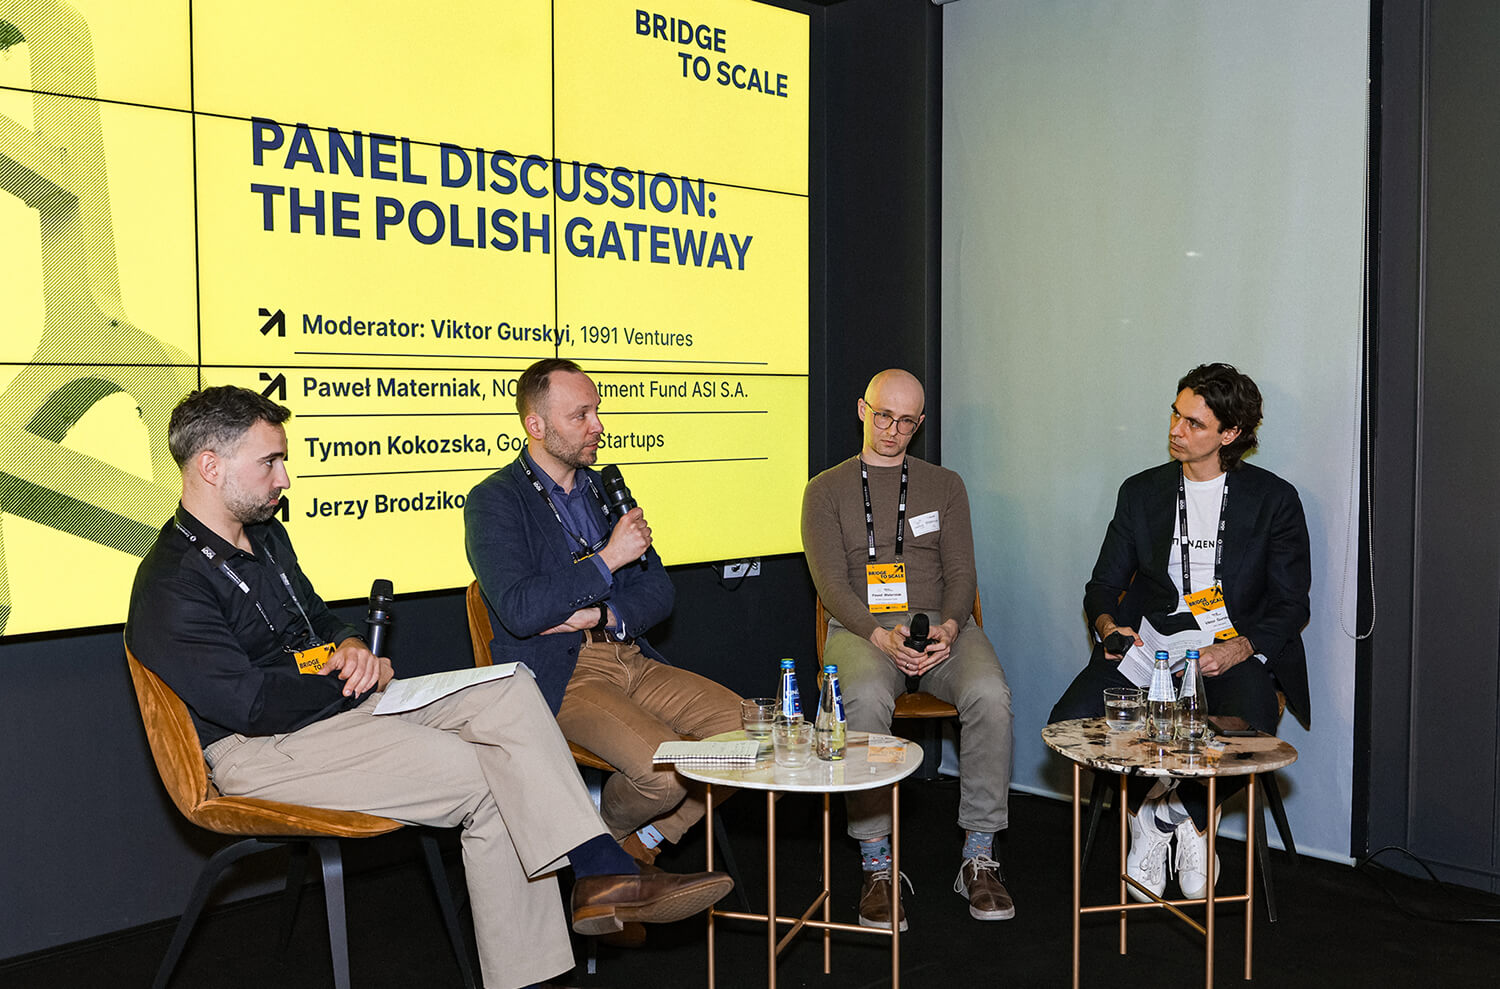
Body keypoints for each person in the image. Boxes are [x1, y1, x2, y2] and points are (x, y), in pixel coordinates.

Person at [126, 386, 732, 989]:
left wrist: (350, 645)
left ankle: (600, 872)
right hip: (262, 748)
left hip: (333, 711)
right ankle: (592, 882)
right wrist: (346, 683)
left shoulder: (265, 537)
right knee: (496, 778)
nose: (284, 478)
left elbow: (320, 618)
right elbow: (250, 705)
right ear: (211, 466)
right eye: (269, 462)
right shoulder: (171, 582)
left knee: (510, 686)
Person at [465, 358, 742, 870]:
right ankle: (601, 857)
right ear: (536, 425)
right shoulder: (495, 501)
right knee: (664, 775)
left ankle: (631, 846)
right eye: (581, 415)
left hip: (629, 655)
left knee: (752, 740)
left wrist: (602, 615)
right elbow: (522, 610)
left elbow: (659, 590)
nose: (598, 426)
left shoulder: (603, 490)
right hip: (564, 674)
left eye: (596, 411)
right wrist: (609, 559)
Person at [1049, 362, 1311, 902]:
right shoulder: (1142, 492)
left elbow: (1290, 605)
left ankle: (1175, 817)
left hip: (1229, 649)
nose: (1176, 429)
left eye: (1194, 423)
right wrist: (1109, 626)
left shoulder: (1273, 499)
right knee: (1071, 722)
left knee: (1250, 731)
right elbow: (1102, 586)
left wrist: (1239, 648)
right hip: (1150, 648)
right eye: (1175, 414)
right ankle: (1160, 814)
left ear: (1229, 434)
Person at [801, 369, 1016, 930]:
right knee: (863, 696)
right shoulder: (825, 490)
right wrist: (878, 634)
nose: (892, 430)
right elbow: (830, 585)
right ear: (861, 410)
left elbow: (962, 572)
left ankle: (979, 856)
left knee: (990, 695)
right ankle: (877, 864)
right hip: (862, 631)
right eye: (882, 416)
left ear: (918, 424)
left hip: (942, 630)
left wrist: (950, 627)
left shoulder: (945, 485)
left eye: (905, 422)